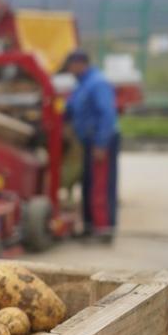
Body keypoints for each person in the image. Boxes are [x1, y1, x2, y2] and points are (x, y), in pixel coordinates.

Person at [62, 50, 120, 241]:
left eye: (70, 66)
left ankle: (103, 230)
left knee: (99, 185)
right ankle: (89, 226)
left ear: (80, 63)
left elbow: (107, 115)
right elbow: (70, 109)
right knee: (88, 184)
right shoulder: (82, 85)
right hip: (87, 142)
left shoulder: (97, 83)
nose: (69, 70)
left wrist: (101, 144)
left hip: (100, 141)